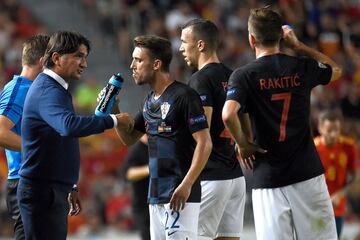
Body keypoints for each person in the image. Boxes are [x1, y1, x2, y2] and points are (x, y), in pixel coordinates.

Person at [222, 7, 343, 240]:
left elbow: (228, 115)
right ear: (281, 36)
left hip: (268, 180)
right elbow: (335, 70)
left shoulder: (243, 75)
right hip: (308, 174)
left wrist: (243, 143)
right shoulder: (300, 66)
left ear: (251, 39)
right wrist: (299, 47)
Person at [17, 31, 131, 240]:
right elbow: (69, 127)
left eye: (85, 57)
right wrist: (114, 120)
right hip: (42, 191)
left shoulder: (57, 90)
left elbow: (62, 141)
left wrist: (71, 184)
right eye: (79, 56)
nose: (84, 63)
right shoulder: (47, 90)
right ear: (56, 58)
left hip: (51, 189)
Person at [115, 35, 212, 239]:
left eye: (139, 60)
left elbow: (205, 142)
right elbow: (129, 139)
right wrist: (114, 113)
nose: (132, 65)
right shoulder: (149, 101)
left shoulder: (184, 96)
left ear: (157, 64)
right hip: (155, 197)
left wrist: (187, 184)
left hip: (180, 196)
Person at [179, 18, 245, 240]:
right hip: (235, 177)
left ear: (200, 45)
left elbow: (201, 134)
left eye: (183, 42)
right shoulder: (233, 75)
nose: (180, 48)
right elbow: (244, 122)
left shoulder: (199, 80)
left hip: (210, 178)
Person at [0, 34, 49, 240]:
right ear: (42, 61)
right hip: (24, 181)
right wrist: (36, 150)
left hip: (39, 180)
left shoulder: (38, 90)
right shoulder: (19, 88)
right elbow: (0, 131)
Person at [314, 110, 360, 238]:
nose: (334, 134)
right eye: (329, 130)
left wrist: (341, 194)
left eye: (337, 130)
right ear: (320, 128)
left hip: (338, 208)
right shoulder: (313, 148)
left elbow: (356, 177)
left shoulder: (348, 146)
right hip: (316, 207)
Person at [123, 134, 150, 240]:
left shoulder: (160, 146)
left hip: (162, 202)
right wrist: (150, 169)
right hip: (143, 206)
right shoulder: (137, 149)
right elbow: (127, 173)